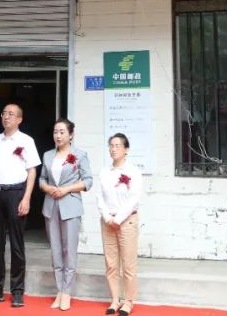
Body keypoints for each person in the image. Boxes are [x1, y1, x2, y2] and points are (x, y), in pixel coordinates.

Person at [0, 102, 41, 308]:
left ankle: (17, 290)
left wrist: (26, 198)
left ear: (19, 119)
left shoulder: (26, 141)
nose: (6, 117)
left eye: (11, 114)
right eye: (4, 113)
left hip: (17, 193)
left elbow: (32, 171)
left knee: (16, 244)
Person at [39, 118, 93, 311]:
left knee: (69, 250)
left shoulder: (80, 155)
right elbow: (42, 179)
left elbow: (88, 181)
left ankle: (67, 292)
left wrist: (67, 189)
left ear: (71, 135)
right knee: (55, 251)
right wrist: (48, 188)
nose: (58, 135)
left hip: (70, 206)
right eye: (56, 132)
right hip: (51, 205)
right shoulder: (47, 155)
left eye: (62, 132)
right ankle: (59, 290)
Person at [95, 133, 141, 316]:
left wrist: (118, 219)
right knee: (111, 264)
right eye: (111, 145)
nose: (113, 149)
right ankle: (115, 300)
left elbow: (134, 199)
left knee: (128, 264)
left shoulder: (133, 171)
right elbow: (99, 197)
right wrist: (108, 218)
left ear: (126, 149)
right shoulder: (104, 172)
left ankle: (128, 301)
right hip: (108, 222)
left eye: (117, 145)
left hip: (126, 221)